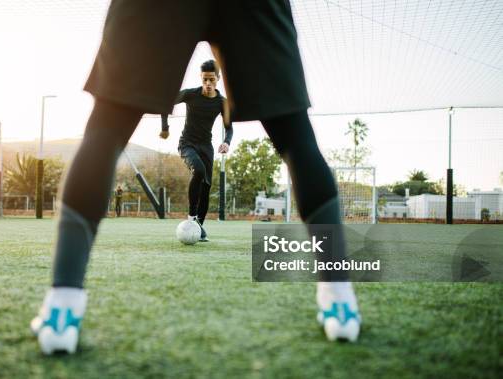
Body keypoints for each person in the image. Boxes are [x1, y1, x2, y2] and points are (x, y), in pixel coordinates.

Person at [31, 0, 361, 354]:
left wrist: (219, 139)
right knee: (296, 138)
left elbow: (222, 123)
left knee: (106, 130)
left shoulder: (216, 100)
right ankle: (339, 302)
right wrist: (164, 123)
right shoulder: (191, 94)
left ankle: (62, 310)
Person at [160, 59, 233, 242]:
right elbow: (165, 101)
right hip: (187, 144)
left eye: (211, 80)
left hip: (206, 146)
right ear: (201, 78)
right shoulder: (190, 94)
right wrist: (165, 127)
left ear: (218, 78)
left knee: (206, 187)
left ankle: (199, 225)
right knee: (198, 171)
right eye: (205, 80)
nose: (208, 84)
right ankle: (191, 217)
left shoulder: (222, 102)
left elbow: (229, 127)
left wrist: (226, 142)